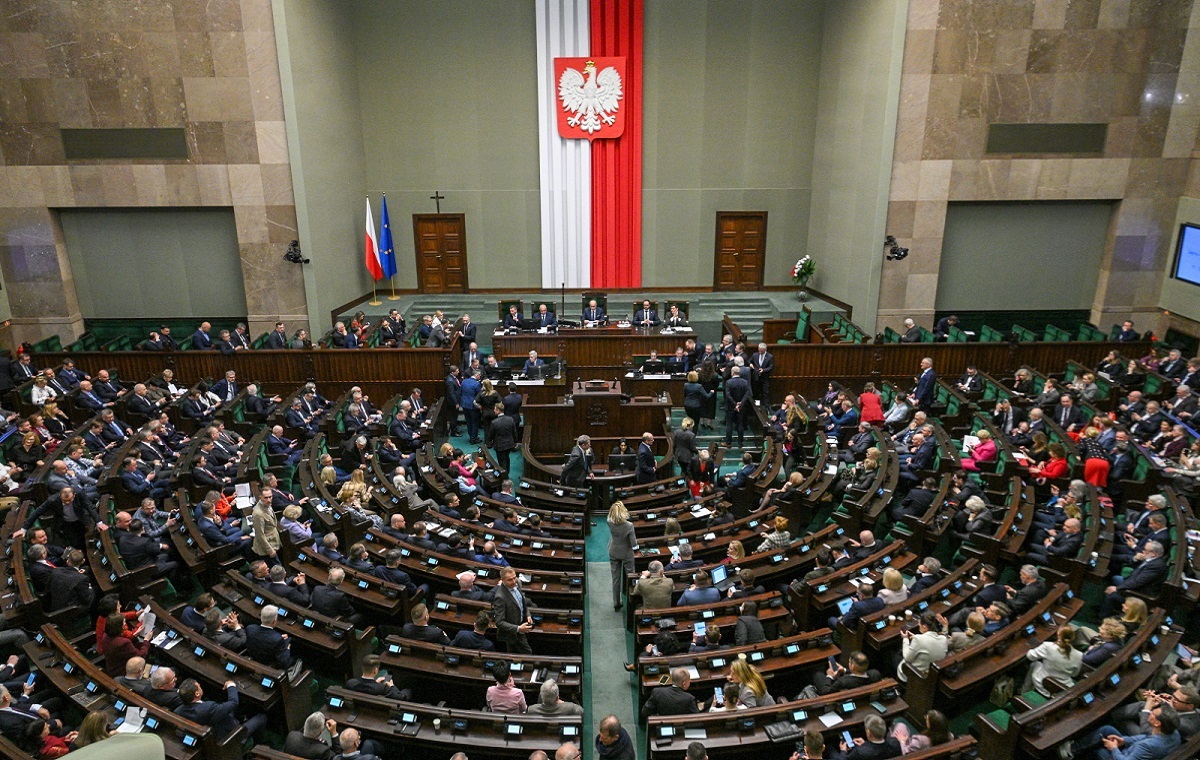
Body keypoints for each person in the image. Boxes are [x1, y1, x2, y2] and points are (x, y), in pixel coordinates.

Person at [175, 677, 267, 740]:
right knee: (262, 717)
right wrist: (231, 685)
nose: (200, 685)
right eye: (198, 686)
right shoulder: (208, 708)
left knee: (230, 706)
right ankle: (257, 743)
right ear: (197, 694)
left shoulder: (178, 711)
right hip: (231, 735)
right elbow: (234, 702)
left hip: (214, 728)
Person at [1023, 625, 1082, 698]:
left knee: (1035, 664)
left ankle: (1024, 691)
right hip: (1064, 688)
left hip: (1044, 684)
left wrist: (1034, 648)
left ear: (1059, 636)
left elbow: (1030, 656)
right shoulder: (1079, 655)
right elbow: (1074, 674)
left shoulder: (1048, 646)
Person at [493, 566, 534, 654]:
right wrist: (518, 628)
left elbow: (522, 603)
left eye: (514, 578)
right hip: (511, 634)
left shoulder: (516, 584)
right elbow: (499, 622)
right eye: (510, 580)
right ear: (502, 580)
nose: (514, 581)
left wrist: (528, 614)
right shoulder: (500, 597)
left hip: (520, 627)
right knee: (527, 654)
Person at [898, 613, 948, 683]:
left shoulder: (918, 639)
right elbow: (942, 636)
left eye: (919, 625)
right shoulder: (943, 639)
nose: (919, 626)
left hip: (915, 675)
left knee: (891, 656)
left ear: (924, 627)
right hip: (931, 676)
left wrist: (905, 639)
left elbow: (907, 658)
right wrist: (945, 626)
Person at [607, 501, 637, 610]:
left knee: (616, 578)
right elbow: (633, 544)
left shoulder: (609, 521)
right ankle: (632, 599)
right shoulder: (629, 525)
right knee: (631, 576)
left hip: (613, 551)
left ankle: (616, 602)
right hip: (626, 553)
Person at [244, 605, 296, 669]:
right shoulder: (277, 639)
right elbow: (283, 662)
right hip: (268, 665)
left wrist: (278, 637)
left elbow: (263, 637)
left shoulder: (250, 628)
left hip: (252, 657)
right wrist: (287, 648)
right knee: (297, 657)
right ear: (274, 621)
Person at [724, 366, 752, 447]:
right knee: (740, 424)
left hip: (730, 407)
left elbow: (728, 395)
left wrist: (735, 404)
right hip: (741, 407)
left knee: (729, 424)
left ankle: (728, 442)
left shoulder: (728, 382)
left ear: (732, 373)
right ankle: (740, 443)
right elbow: (747, 394)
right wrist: (740, 404)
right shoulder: (745, 382)